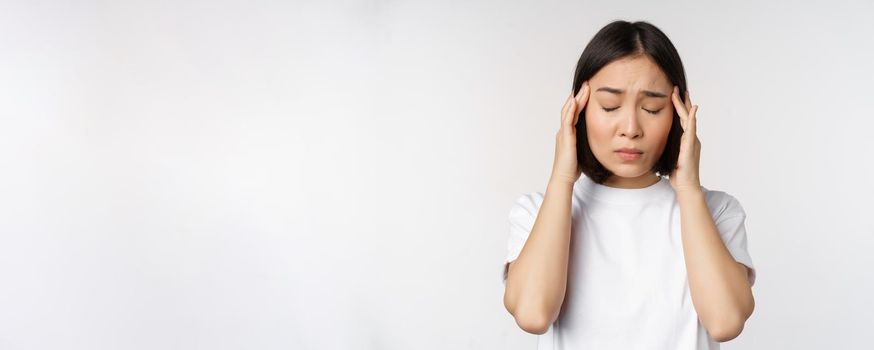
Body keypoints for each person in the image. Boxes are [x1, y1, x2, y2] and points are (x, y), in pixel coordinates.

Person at [501, 20, 756, 349]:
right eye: (609, 106)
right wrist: (561, 181)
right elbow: (533, 315)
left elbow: (725, 322)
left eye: (652, 108)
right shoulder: (537, 212)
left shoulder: (717, 211)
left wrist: (690, 191)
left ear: (679, 114)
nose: (631, 128)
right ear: (577, 110)